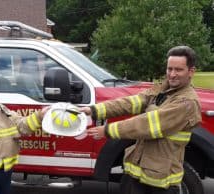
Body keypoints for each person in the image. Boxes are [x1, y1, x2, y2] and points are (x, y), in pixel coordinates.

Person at [80, 46, 201, 194]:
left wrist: (107, 130)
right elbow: (132, 102)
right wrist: (94, 110)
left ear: (191, 72)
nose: (172, 74)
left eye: (178, 70)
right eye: (169, 69)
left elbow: (147, 124)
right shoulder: (164, 90)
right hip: (140, 175)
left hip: (161, 183)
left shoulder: (186, 103)